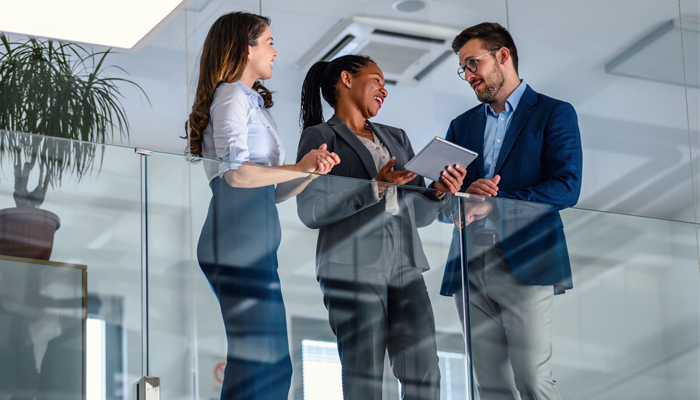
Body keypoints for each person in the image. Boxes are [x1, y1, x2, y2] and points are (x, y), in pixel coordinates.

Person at [186, 12, 340, 400]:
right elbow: (236, 174)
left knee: (266, 360)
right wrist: (298, 166)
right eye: (268, 42)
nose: (275, 50)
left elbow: (271, 190)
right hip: (237, 230)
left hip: (253, 230)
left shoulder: (251, 101)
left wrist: (309, 173)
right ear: (245, 48)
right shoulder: (230, 96)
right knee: (264, 361)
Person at [296, 55, 466, 400]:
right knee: (365, 374)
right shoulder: (321, 135)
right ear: (347, 79)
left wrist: (437, 192)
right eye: (377, 80)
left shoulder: (396, 137)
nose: (384, 91)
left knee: (424, 370)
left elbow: (417, 215)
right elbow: (310, 210)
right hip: (351, 266)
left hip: (404, 264)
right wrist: (374, 187)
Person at [439, 22, 583, 400]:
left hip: (528, 259)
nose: (468, 76)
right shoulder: (462, 125)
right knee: (490, 386)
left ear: (503, 55)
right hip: (470, 262)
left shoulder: (553, 112)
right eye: (464, 69)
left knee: (532, 379)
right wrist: (460, 201)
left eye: (473, 64)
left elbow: (567, 187)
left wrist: (496, 204)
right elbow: (449, 198)